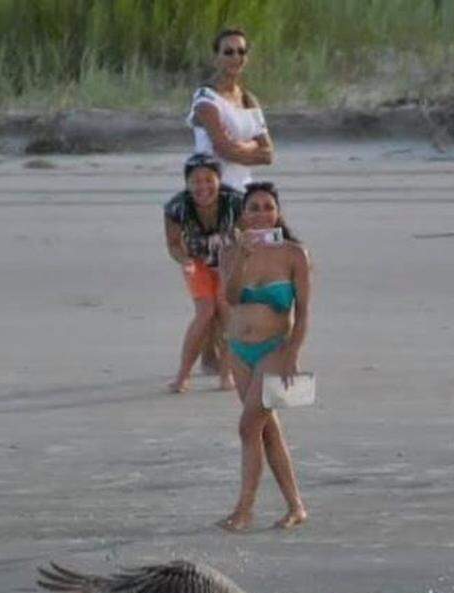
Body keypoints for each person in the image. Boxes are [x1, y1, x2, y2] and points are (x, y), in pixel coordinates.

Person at [216, 182, 311, 531]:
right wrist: (241, 256)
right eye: (253, 208)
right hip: (239, 351)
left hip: (276, 349)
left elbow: (303, 313)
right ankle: (296, 506)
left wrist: (292, 355)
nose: (260, 214)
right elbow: (232, 297)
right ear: (243, 215)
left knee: (247, 427)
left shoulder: (295, 254)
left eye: (267, 207)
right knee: (266, 431)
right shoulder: (230, 251)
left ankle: (244, 510)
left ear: (278, 213)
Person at [164, 153, 241, 393]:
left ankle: (226, 375)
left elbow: (255, 231)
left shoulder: (236, 201)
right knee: (206, 312)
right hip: (197, 261)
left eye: (209, 179)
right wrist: (185, 261)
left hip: (230, 262)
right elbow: (174, 244)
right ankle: (182, 376)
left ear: (219, 179)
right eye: (196, 181)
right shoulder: (176, 207)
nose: (203, 186)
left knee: (227, 311)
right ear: (187, 183)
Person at [188, 28, 273, 191]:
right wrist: (253, 145)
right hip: (213, 192)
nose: (236, 57)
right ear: (216, 59)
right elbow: (223, 149)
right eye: (228, 52)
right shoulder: (206, 98)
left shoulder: (249, 99)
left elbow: (268, 154)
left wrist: (237, 146)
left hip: (244, 189)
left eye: (241, 52)